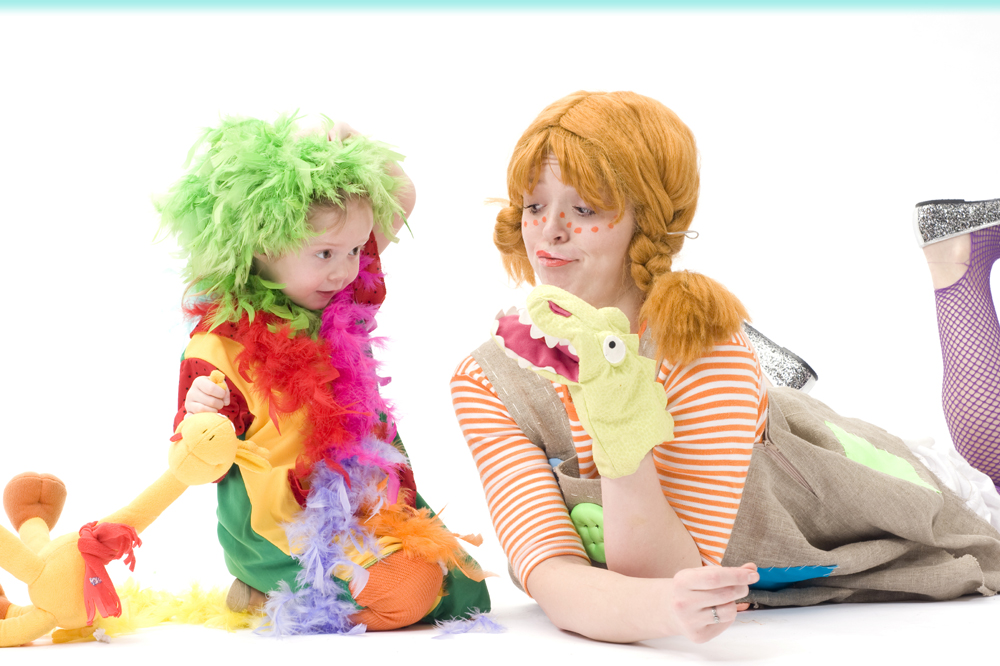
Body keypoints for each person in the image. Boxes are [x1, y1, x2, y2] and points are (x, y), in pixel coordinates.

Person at [450, 91, 1000, 645]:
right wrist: (658, 608)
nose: (549, 230)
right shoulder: (490, 380)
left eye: (585, 209)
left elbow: (663, 577)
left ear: (646, 221)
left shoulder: (702, 351)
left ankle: (958, 263)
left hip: (888, 489)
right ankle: (767, 406)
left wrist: (621, 426)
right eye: (534, 206)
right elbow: (552, 572)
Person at [163, 114, 489, 634]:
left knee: (466, 586)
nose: (345, 269)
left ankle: (294, 591)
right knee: (411, 589)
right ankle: (273, 590)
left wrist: (352, 150)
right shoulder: (219, 346)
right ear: (264, 244)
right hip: (286, 526)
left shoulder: (337, 296)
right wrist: (201, 415)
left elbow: (401, 196)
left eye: (356, 250)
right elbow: (195, 467)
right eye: (325, 253)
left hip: (365, 497)